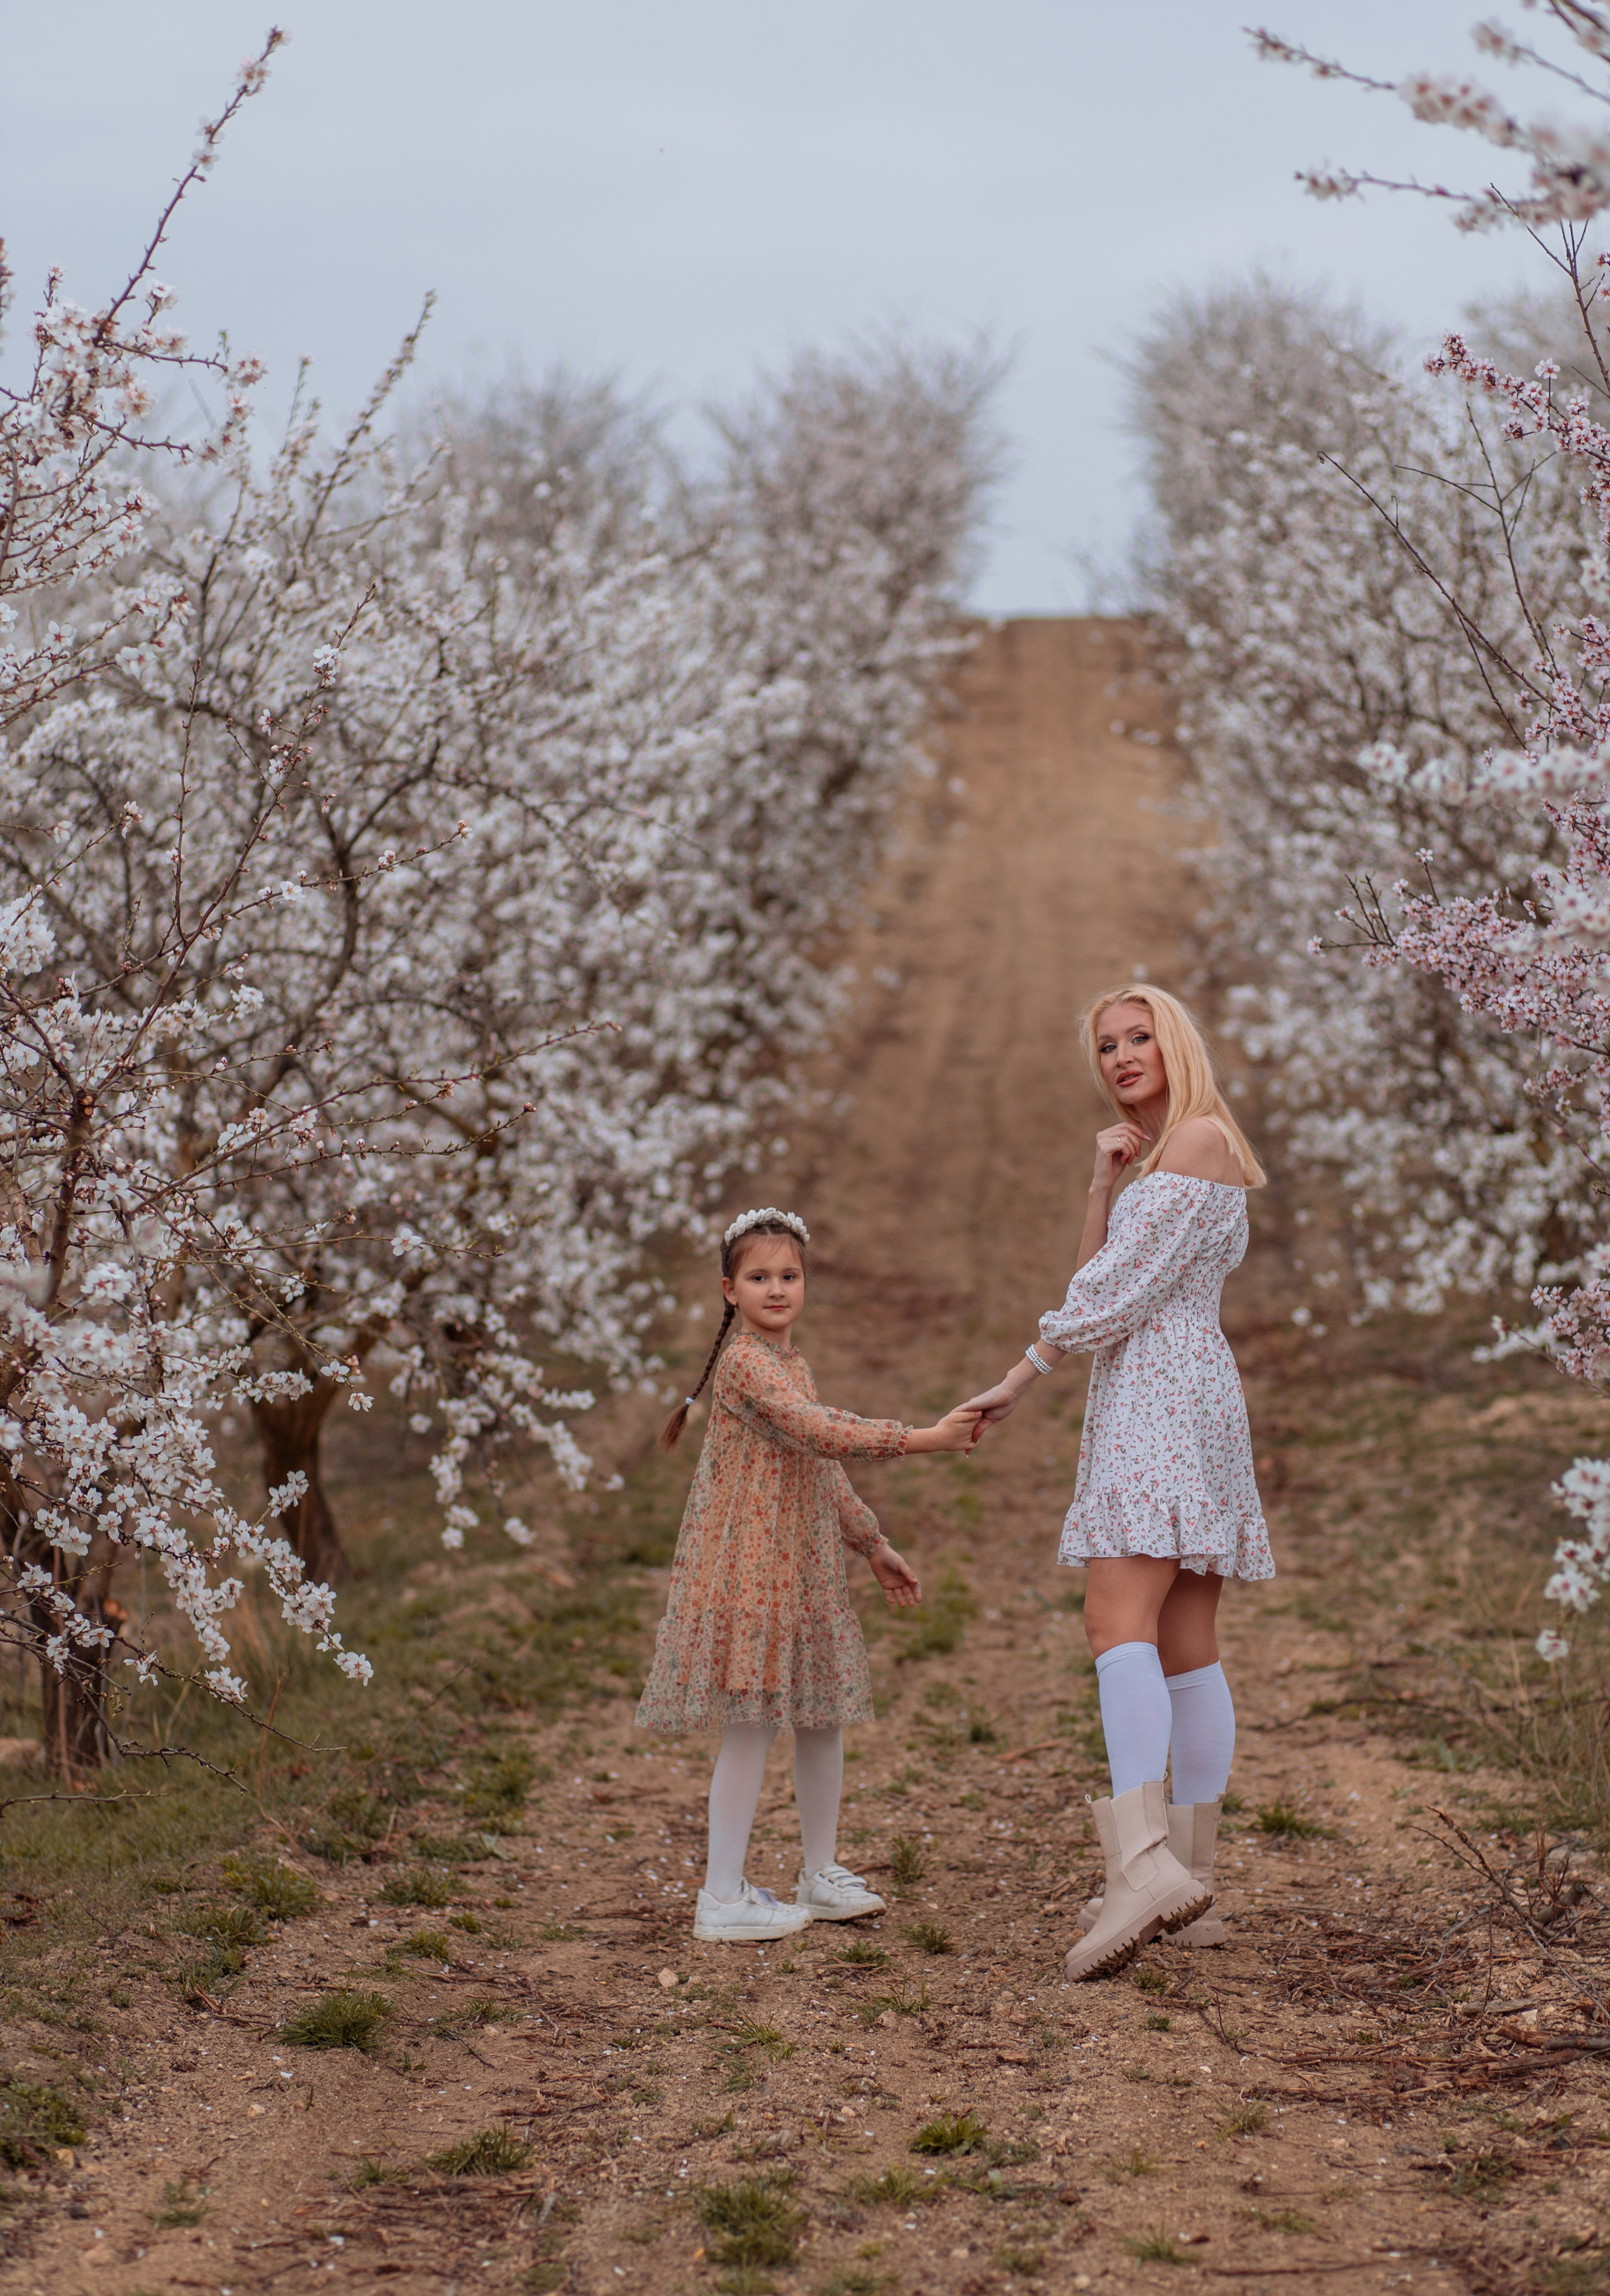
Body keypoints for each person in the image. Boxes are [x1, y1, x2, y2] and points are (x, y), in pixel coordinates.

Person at [961, 986, 1272, 1980]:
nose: (1122, 1054)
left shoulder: (1194, 1145)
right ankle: (1188, 1879)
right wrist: (1101, 1184)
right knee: (1184, 1639)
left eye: (1140, 1036)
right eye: (1107, 1044)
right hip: (1186, 1388)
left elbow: (1103, 1297)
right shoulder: (1174, 1153)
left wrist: (1021, 1374)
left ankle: (1142, 1867)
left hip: (1163, 1395)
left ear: (1178, 1042)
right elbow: (1096, 1283)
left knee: (1116, 1621)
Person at [636, 1207, 984, 1944]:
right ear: (728, 1290)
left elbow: (816, 1465)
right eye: (758, 1277)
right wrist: (926, 1439)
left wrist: (871, 1543)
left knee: (822, 1718)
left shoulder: (790, 1364)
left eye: (788, 1276)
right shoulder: (745, 1365)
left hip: (804, 1570)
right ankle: (721, 1894)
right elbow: (821, 1431)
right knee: (755, 1724)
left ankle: (819, 1874)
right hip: (751, 1567)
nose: (776, 1289)